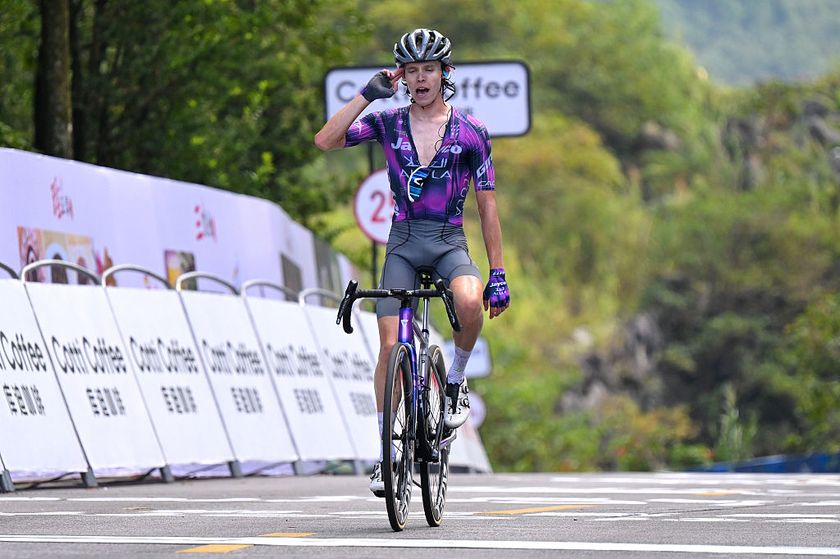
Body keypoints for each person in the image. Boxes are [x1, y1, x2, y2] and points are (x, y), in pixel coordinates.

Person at [314, 28, 510, 494]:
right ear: (402, 76)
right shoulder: (389, 123)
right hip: (401, 240)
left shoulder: (471, 133)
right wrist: (367, 94)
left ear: (445, 73)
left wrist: (497, 273)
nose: (422, 79)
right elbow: (326, 139)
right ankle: (387, 452)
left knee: (467, 300)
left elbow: (487, 207)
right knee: (388, 346)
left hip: (447, 239)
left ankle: (456, 381)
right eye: (413, 70)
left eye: (430, 69)